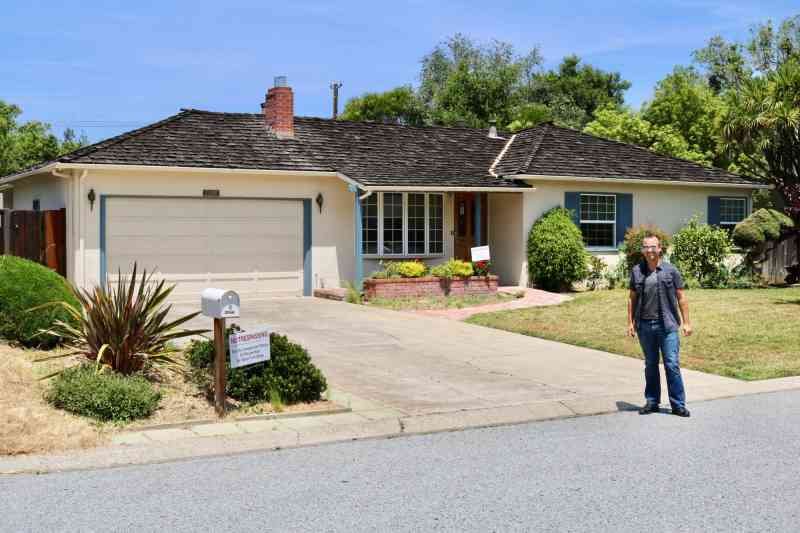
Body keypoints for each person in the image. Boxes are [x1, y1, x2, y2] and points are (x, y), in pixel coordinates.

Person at [627, 234, 692, 417]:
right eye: (646, 247)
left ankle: (678, 404)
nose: (650, 251)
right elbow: (632, 299)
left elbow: (681, 297)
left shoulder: (670, 270)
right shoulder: (637, 271)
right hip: (645, 326)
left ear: (660, 248)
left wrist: (686, 322)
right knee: (651, 364)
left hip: (668, 326)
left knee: (671, 364)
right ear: (642, 250)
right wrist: (630, 323)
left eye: (653, 247)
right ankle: (652, 401)